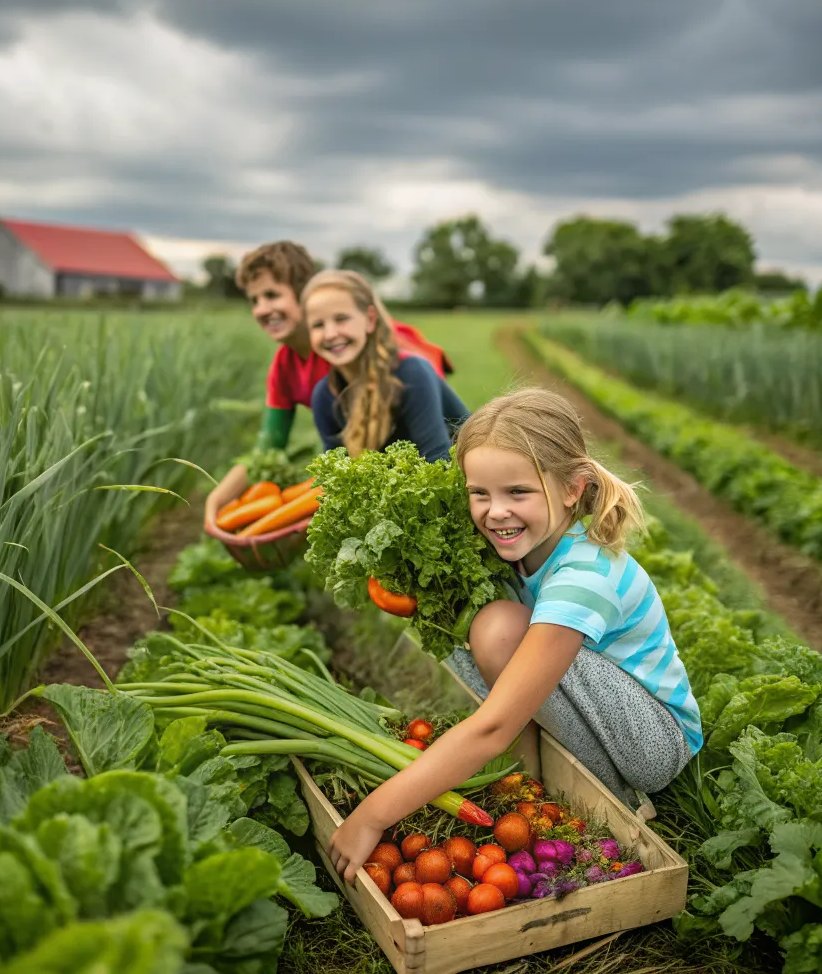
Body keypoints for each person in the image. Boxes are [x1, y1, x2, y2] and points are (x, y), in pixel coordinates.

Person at [327, 387, 703, 884]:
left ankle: (615, 797)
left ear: (573, 488)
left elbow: (494, 723)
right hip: (594, 713)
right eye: (479, 493)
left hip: (652, 741)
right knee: (468, 624)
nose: (495, 512)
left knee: (497, 628)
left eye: (517, 493)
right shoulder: (517, 549)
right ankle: (530, 783)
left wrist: (373, 815)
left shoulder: (585, 573)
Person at [203, 242, 453, 530]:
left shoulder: (375, 356)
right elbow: (275, 447)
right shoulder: (302, 377)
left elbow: (435, 452)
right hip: (384, 474)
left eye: (272, 295)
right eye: (254, 300)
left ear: (303, 295)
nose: (262, 309)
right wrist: (219, 499)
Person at [301, 270, 468, 462]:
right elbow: (334, 472)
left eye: (341, 319)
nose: (330, 334)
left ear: (370, 319)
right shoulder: (324, 395)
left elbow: (439, 461)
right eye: (318, 325)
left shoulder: (412, 373)